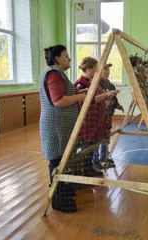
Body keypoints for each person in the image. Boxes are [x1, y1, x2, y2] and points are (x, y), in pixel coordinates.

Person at [39, 44, 86, 213]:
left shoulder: (58, 75)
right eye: (67, 56)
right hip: (55, 128)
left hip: (60, 127)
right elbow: (58, 100)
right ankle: (57, 200)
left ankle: (63, 191)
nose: (70, 59)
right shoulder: (53, 74)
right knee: (57, 160)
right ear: (57, 59)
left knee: (62, 160)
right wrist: (80, 97)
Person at [74, 57, 119, 173]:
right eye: (96, 68)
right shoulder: (81, 83)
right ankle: (85, 171)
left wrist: (107, 98)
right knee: (87, 147)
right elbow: (88, 100)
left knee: (93, 145)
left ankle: (91, 168)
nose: (98, 70)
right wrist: (106, 95)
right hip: (88, 122)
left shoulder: (93, 82)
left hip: (96, 121)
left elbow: (98, 98)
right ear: (89, 69)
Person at [96, 63, 124, 168]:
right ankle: (96, 160)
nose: (107, 72)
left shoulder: (110, 84)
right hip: (99, 116)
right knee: (97, 138)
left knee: (106, 136)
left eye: (108, 70)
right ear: (98, 71)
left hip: (108, 116)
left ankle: (104, 156)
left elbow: (114, 99)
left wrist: (118, 105)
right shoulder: (97, 84)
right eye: (105, 69)